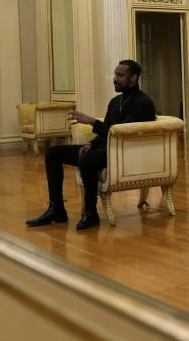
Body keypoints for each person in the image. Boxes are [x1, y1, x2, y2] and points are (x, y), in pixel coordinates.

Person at [26, 60, 156, 230]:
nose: (115, 78)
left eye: (120, 75)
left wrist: (91, 121)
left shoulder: (143, 102)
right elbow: (106, 131)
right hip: (105, 150)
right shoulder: (115, 101)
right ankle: (56, 209)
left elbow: (121, 133)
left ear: (134, 78)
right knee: (53, 152)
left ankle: (90, 212)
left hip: (124, 153)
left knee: (87, 160)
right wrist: (92, 144)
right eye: (115, 74)